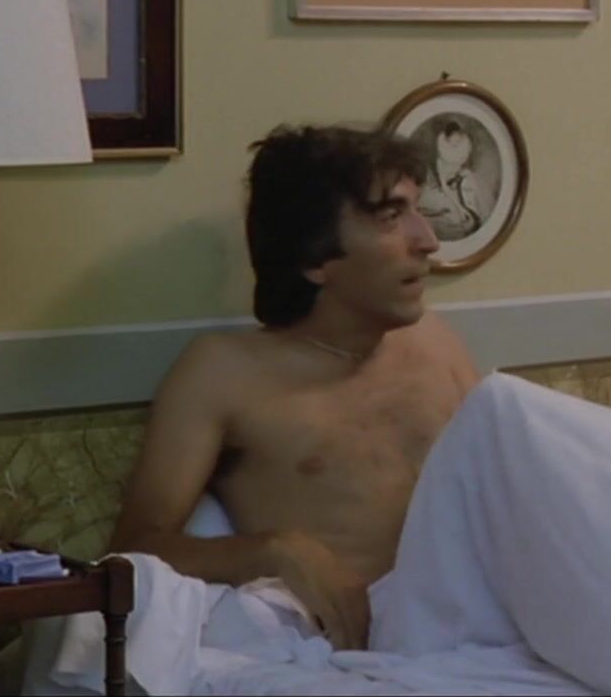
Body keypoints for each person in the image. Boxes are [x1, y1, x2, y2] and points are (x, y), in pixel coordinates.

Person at [108, 124, 481, 651]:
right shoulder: (223, 372)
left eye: (417, 211)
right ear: (314, 258)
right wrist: (275, 550)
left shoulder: (435, 342)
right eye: (391, 216)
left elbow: (503, 491)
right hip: (353, 647)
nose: (428, 240)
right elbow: (133, 550)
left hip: (474, 624)